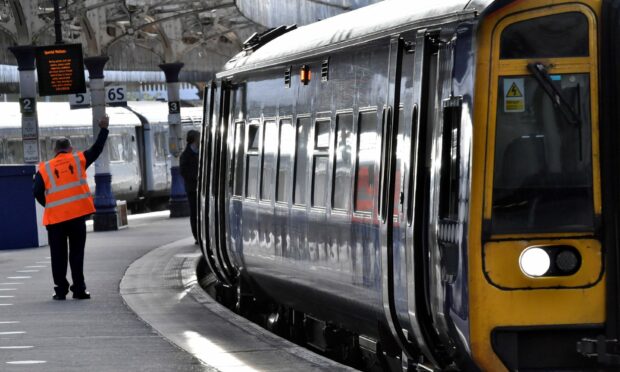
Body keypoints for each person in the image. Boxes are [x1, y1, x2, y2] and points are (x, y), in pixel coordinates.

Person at [33, 115, 110, 300]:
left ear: (55, 151)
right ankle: (79, 289)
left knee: (58, 256)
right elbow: (97, 149)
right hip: (77, 217)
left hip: (55, 220)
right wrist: (104, 129)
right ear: (70, 149)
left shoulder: (44, 168)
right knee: (76, 253)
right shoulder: (79, 160)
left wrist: (50, 205)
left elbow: (36, 192)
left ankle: (60, 291)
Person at [180, 130, 200, 245]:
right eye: (199, 138)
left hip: (201, 188)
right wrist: (196, 177)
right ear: (194, 139)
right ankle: (196, 235)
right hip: (192, 188)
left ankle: (202, 234)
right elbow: (183, 171)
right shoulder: (185, 155)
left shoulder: (201, 152)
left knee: (201, 212)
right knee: (194, 212)